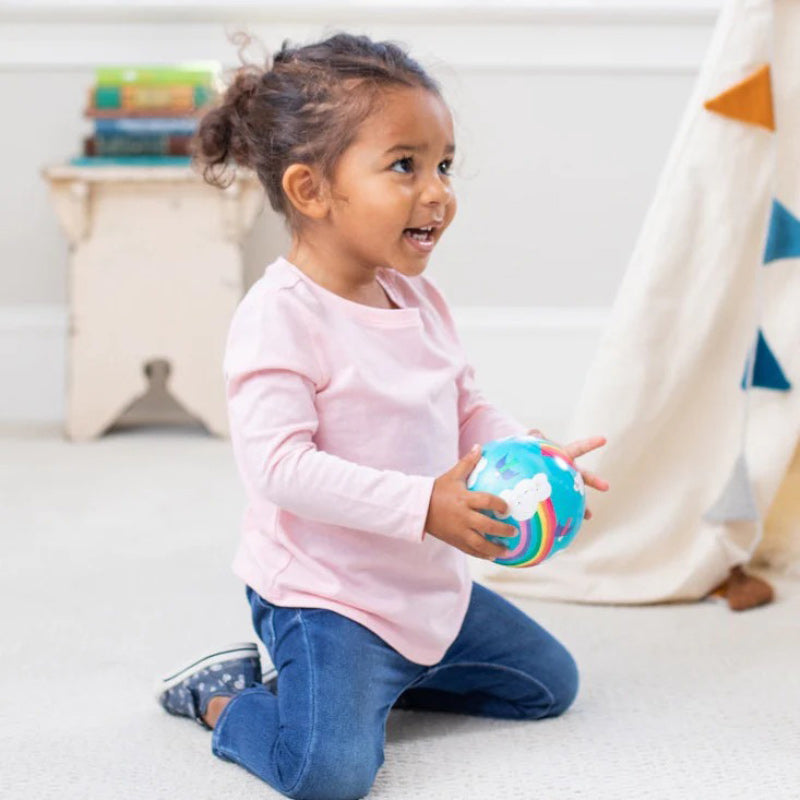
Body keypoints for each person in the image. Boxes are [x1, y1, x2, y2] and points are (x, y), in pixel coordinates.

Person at [156, 32, 609, 800]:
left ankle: (379, 682)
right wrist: (423, 504)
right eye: (405, 165)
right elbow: (278, 468)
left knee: (548, 687)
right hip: (328, 598)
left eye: (444, 165)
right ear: (310, 191)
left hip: (423, 585)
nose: (436, 191)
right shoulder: (279, 317)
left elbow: (464, 402)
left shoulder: (416, 295)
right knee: (330, 774)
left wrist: (526, 451)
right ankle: (230, 698)